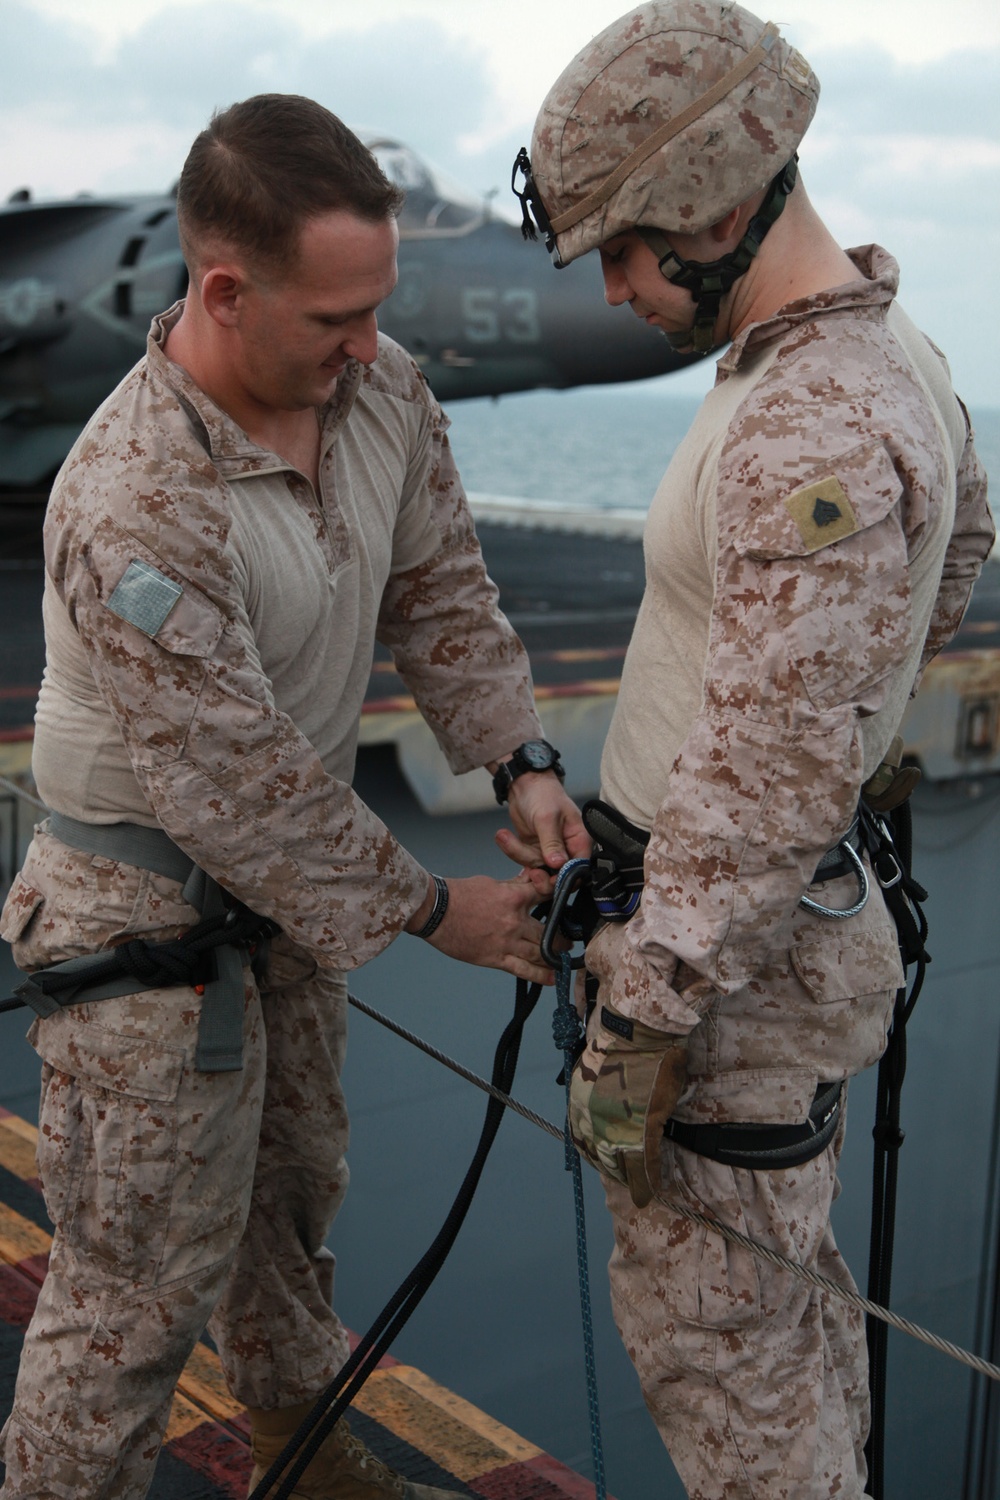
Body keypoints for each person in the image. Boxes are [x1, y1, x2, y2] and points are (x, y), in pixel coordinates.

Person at [0, 94, 588, 1500]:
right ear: (222, 289)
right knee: (132, 1300)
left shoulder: (377, 394)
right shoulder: (133, 490)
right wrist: (438, 906)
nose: (369, 346)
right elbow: (237, 784)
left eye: (376, 307)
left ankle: (301, 1459)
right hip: (141, 919)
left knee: (288, 1220)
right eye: (335, 317)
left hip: (285, 912)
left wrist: (520, 757)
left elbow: (442, 586)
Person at [511, 5, 993, 1496]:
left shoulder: (809, 428)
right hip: (752, 951)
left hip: (719, 994)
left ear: (719, 207)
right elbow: (961, 553)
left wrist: (637, 1025)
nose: (615, 288)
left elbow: (776, 769)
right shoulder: (880, 356)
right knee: (787, 1337)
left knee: (735, 1386)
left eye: (627, 246)